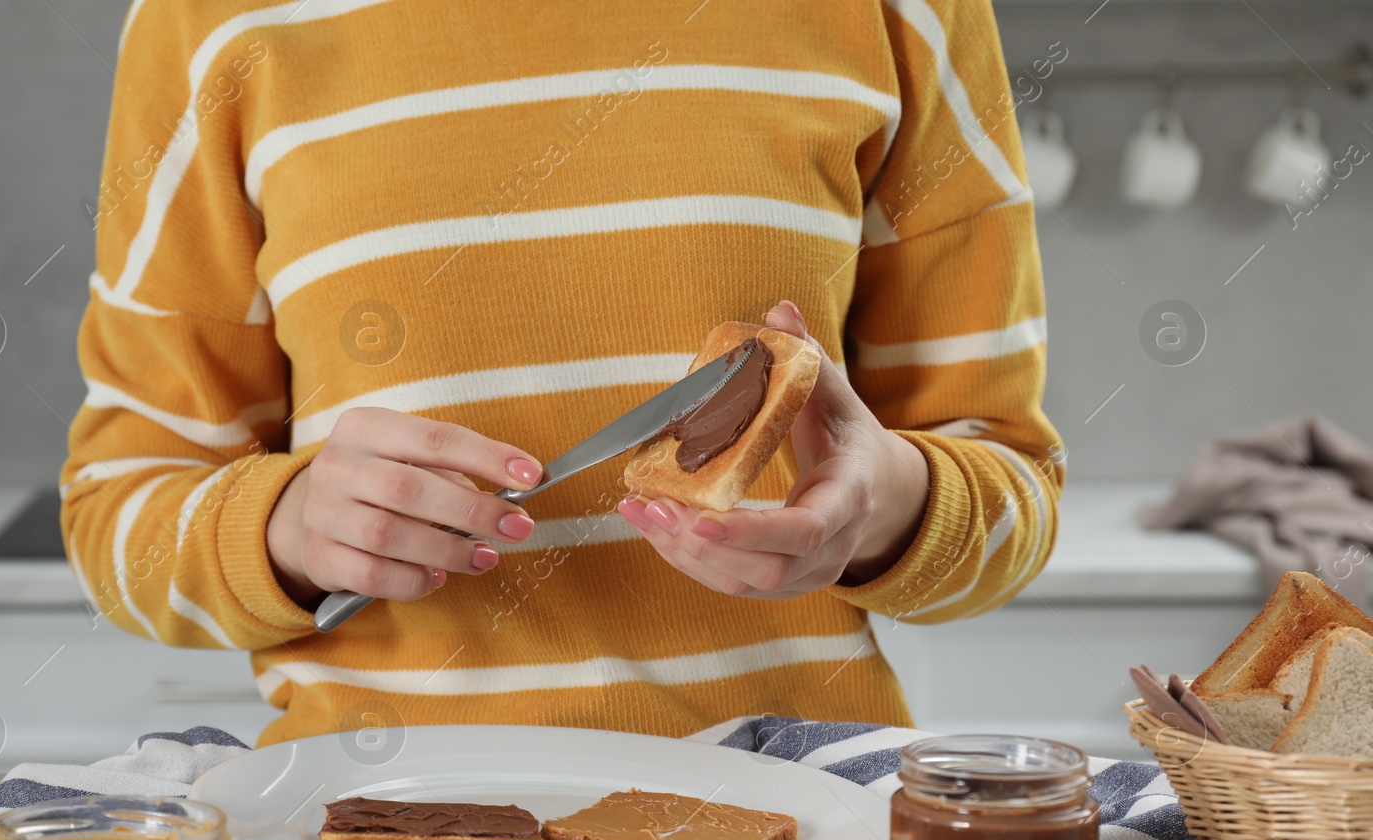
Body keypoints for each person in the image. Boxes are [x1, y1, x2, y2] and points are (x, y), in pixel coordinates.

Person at [63, 0, 1063, 747]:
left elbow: (1010, 483)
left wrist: (886, 506)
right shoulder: (207, 21)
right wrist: (286, 529)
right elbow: (118, 513)